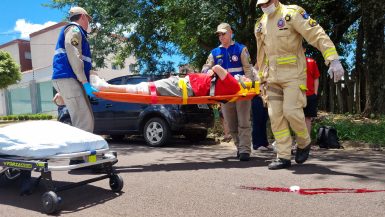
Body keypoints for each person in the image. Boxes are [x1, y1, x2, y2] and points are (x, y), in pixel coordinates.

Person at [255, 0, 344, 169]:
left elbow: (315, 33)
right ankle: (283, 156)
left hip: (293, 75)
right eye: (260, 5)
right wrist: (260, 77)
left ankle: (304, 142)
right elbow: (261, 55)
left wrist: (333, 59)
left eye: (266, 3)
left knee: (291, 111)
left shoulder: (292, 14)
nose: (264, 7)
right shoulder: (260, 24)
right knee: (275, 117)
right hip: (272, 78)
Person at [202, 23, 254, 161]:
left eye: (223, 33)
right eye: (219, 34)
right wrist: (209, 71)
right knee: (231, 124)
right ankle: (239, 146)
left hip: (241, 92)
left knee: (244, 121)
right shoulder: (214, 53)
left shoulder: (241, 49)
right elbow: (205, 69)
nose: (221, 37)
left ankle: (245, 150)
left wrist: (249, 85)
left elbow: (248, 70)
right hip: (225, 94)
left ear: (231, 32)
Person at [52, 6, 98, 133]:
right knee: (84, 123)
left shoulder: (75, 31)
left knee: (85, 119)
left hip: (69, 79)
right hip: (70, 79)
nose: (88, 23)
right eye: (88, 19)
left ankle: (85, 152)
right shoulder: (74, 30)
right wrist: (85, 83)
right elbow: (74, 57)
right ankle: (84, 152)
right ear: (83, 16)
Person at [90, 65, 241, 97]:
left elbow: (217, 67)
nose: (244, 76)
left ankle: (105, 86)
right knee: (145, 88)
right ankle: (105, 86)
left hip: (185, 87)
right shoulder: (232, 86)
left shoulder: (235, 85)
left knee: (145, 88)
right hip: (184, 85)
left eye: (247, 78)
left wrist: (212, 70)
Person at [303, 46, 320, 137]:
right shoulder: (292, 63)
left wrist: (315, 93)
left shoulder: (311, 62)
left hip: (310, 94)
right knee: (297, 118)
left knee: (308, 118)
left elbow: (316, 78)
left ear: (304, 49)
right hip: (297, 94)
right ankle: (300, 142)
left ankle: (307, 141)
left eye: (301, 48)